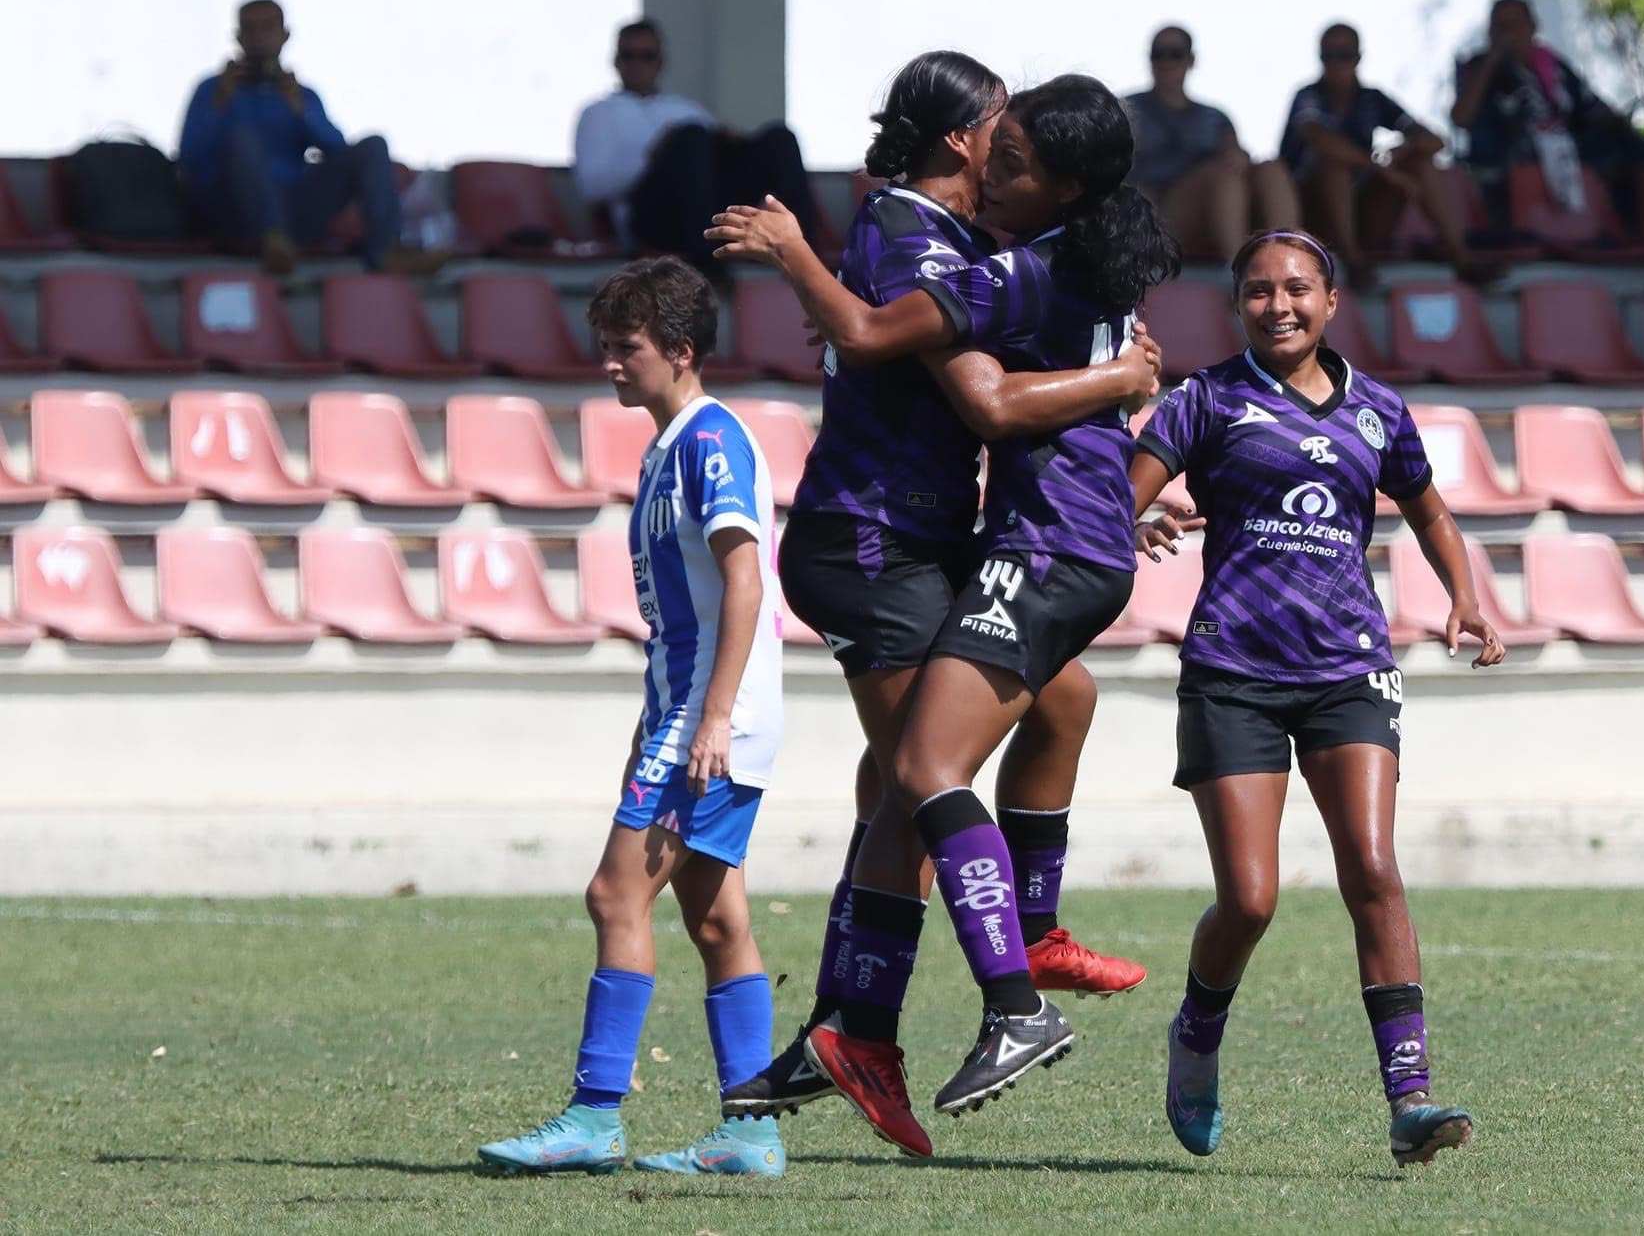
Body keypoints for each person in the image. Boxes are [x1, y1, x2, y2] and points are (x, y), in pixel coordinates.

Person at [712, 75, 1180, 1158]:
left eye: (1022, 159)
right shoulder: (936, 237)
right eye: (998, 146)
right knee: (933, 768)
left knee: (922, 774)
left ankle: (924, 1002)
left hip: (987, 541)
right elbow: (916, 354)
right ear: (967, 138)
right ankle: (921, 1003)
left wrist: (1115, 443)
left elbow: (972, 384)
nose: (1002, 169)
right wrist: (1115, 399)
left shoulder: (1010, 257)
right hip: (877, 541)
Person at [1130, 227, 1504, 1168]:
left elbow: (1429, 510)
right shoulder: (1204, 400)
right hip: (1234, 673)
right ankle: (1197, 1032)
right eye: (1257, 291)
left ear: (1332, 301)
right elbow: (1117, 488)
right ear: (1236, 306)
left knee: (1373, 867)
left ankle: (1409, 1099)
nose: (1279, 305)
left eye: (1297, 289)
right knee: (1249, 900)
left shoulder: (1378, 409)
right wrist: (1139, 510)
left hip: (1348, 665)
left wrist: (1464, 595)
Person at [477, 257, 787, 1179]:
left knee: (616, 895)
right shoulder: (667, 444)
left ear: (682, 351)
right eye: (606, 347)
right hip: (683, 708)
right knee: (717, 919)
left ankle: (594, 1116)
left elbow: (744, 578)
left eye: (628, 349)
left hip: (710, 714)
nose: (610, 364)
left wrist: (713, 716)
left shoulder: (711, 441)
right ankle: (753, 1129)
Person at [178, 0, 440, 277]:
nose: (259, 38)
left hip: (295, 211)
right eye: (250, 29)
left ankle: (387, 251)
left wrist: (303, 113)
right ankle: (272, 239)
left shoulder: (301, 95)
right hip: (235, 212)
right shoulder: (210, 90)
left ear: (285, 35)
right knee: (243, 139)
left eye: (267, 28)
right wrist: (218, 105)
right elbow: (187, 160)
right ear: (238, 37)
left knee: (374, 145)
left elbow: (338, 150)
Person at [572, 18, 822, 267]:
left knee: (779, 138)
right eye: (629, 56)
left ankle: (803, 255)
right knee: (690, 137)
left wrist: (734, 144)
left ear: (660, 62)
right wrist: (656, 155)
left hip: (710, 208)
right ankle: (707, 262)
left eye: (647, 56)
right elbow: (593, 186)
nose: (637, 64)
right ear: (616, 61)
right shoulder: (597, 113)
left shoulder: (685, 108)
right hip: (651, 218)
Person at [1280, 24, 1496, 286]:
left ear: (1358, 57)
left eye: (1344, 54)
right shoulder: (1308, 96)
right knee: (1332, 166)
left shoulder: (1372, 99)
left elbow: (1434, 141)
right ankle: (1353, 262)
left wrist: (1403, 150)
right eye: (1329, 55)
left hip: (1365, 216)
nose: (1336, 63)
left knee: (1419, 163)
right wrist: (1381, 168)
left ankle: (1461, 258)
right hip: (1313, 218)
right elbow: (1320, 139)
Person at [1450, 0, 1644, 234]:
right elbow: (1461, 119)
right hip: (1510, 148)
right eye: (1500, 26)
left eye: (1515, 25)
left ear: (1532, 27)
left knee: (1635, 147)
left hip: (1567, 143)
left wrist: (1614, 121)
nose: (1508, 33)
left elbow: (1591, 106)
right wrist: (1490, 64)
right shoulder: (1475, 67)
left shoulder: (1551, 65)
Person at [1126, 25, 1298, 263]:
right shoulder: (1128, 111)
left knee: (1271, 169)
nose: (1166, 61)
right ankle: (1238, 272)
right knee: (1223, 177)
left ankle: (1289, 262)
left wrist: (1238, 156)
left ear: (1191, 59)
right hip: (1160, 214)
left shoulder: (1215, 118)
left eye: (1175, 53)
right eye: (1159, 53)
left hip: (1223, 212)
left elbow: (1235, 155)